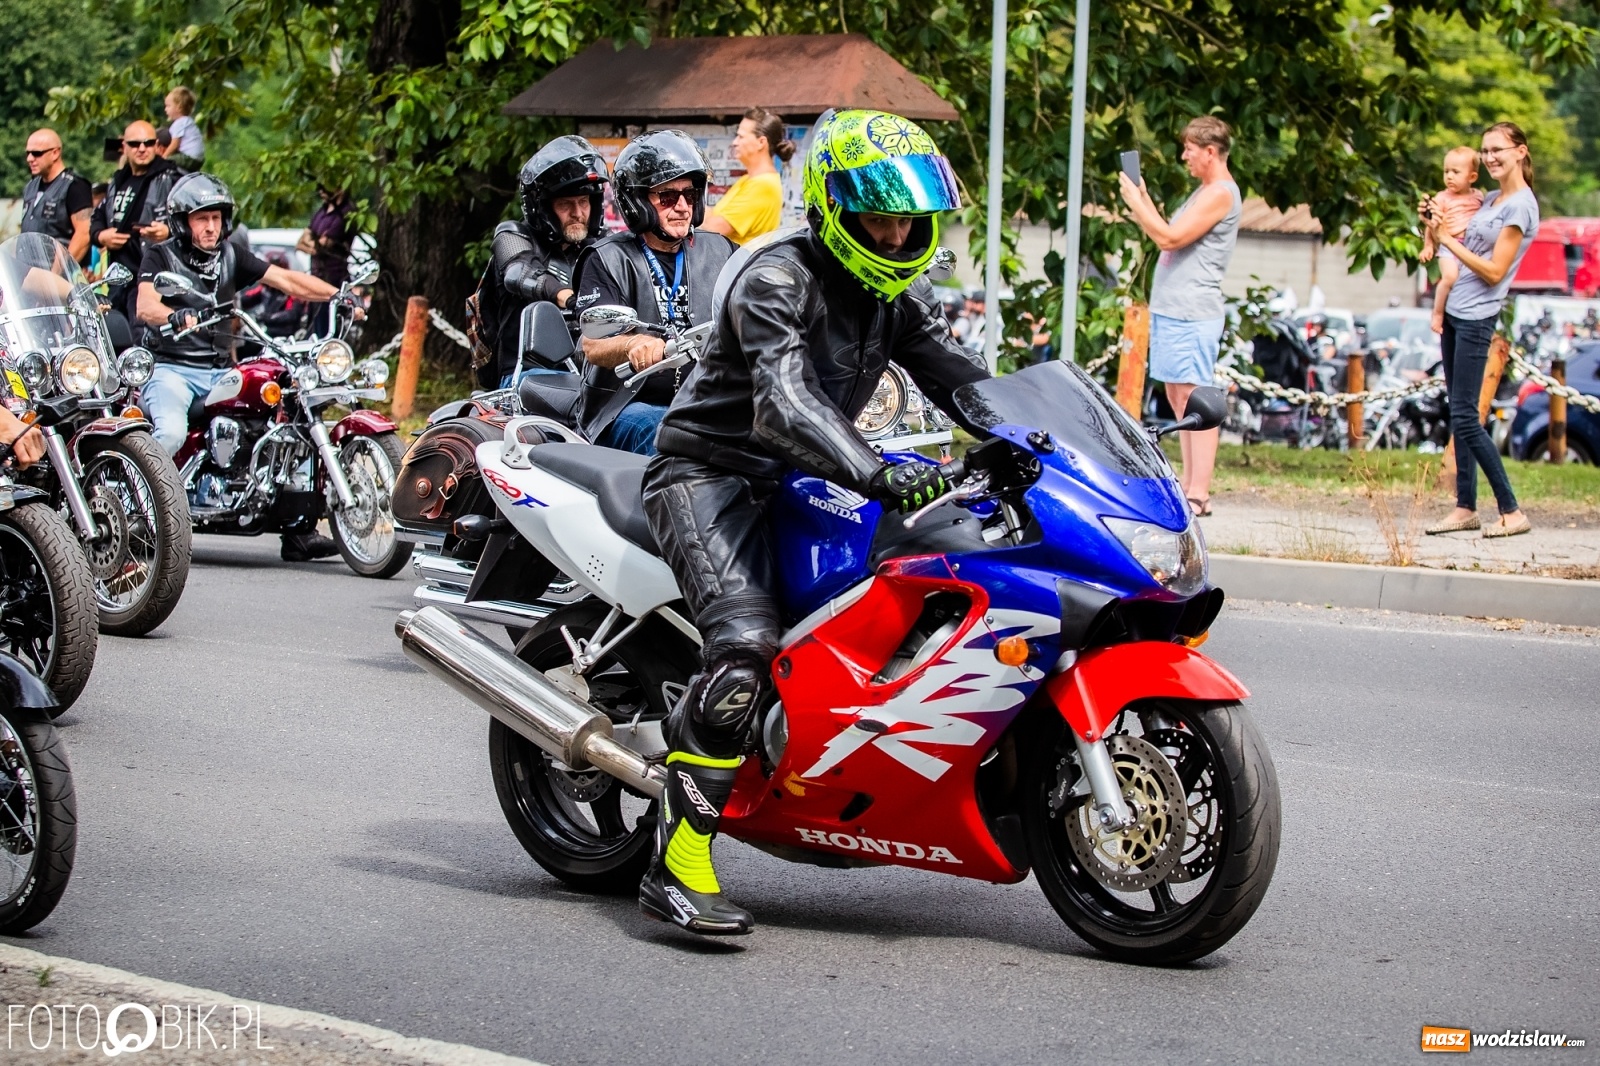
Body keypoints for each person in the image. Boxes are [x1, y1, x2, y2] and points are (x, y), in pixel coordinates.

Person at [636, 109, 989, 936]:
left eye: (908, 216)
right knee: (747, 645)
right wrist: (874, 468)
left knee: (892, 594)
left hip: (804, 473)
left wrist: (1033, 439)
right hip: (710, 472)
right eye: (878, 213)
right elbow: (785, 401)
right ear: (832, 204)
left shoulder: (895, 295)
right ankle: (677, 860)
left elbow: (965, 379)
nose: (896, 231)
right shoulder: (777, 279)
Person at [136, 173, 351, 561]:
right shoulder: (160, 255)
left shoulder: (231, 255)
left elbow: (287, 279)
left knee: (288, 420)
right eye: (202, 219)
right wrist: (176, 314)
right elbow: (146, 306)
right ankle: (141, 516)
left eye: (217, 218)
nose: (211, 227)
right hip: (172, 369)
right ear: (183, 222)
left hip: (219, 369)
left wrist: (339, 294)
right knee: (169, 432)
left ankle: (299, 530)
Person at [571, 131, 735, 453]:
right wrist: (634, 342)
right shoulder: (607, 258)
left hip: (707, 398)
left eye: (690, 194)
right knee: (662, 430)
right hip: (625, 405)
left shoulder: (721, 251)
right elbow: (592, 344)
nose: (683, 207)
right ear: (637, 201)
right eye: (668, 197)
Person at [1119, 115, 1241, 518]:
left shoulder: (1220, 193)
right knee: (1179, 397)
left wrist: (1137, 204)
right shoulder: (1203, 192)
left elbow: (1168, 238)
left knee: (1195, 397)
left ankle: (1199, 491)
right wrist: (1144, 197)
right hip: (1175, 309)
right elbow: (1170, 230)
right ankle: (1189, 484)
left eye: (1190, 148)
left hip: (1194, 312)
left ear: (1210, 151)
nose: (1184, 155)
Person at [1421, 122, 1537, 539]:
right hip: (1454, 311)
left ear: (1520, 152)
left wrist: (1448, 242)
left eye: (1497, 150)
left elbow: (1493, 271)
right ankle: (1465, 507)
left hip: (1476, 316)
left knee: (1468, 418)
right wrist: (1433, 226)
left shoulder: (1520, 207)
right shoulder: (1488, 198)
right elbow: (1451, 230)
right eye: (1485, 151)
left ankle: (1511, 510)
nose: (1489, 157)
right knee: (1458, 412)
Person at [483, 136, 608, 389]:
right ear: (543, 209)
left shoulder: (602, 245)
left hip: (589, 372)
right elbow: (520, 273)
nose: (578, 213)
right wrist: (572, 298)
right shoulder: (512, 236)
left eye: (584, 202)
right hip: (528, 374)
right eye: (565, 204)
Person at [92, 120, 182, 321]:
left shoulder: (172, 178)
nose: (142, 149)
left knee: (141, 341)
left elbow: (193, 222)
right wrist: (101, 236)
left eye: (148, 143)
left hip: (152, 279)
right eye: (135, 144)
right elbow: (97, 216)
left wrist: (168, 231)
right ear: (124, 146)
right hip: (118, 279)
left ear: (157, 145)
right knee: (115, 340)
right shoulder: (118, 180)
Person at [699, 108, 796, 245]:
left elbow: (713, 229)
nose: (735, 142)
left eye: (741, 136)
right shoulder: (748, 180)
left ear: (761, 142)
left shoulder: (763, 185)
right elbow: (713, 215)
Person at [1420, 147, 1485, 336]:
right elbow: (1431, 224)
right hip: (1449, 246)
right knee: (1449, 278)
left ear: (1472, 177)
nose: (1449, 176)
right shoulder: (1442, 198)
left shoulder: (1478, 196)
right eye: (1446, 171)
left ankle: (1458, 313)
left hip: (1470, 248)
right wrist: (1428, 245)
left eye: (1456, 172)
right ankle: (1437, 313)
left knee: (1468, 281)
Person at [20, 129, 93, 265]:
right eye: (28, 153)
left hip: (57, 277)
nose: (30, 158)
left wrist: (58, 273)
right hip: (27, 274)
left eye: (37, 153)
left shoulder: (75, 186)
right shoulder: (31, 186)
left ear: (55, 153)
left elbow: (83, 234)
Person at [300, 187, 354, 336]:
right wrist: (312, 243)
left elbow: (322, 246)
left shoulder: (346, 213)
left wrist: (310, 243)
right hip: (315, 279)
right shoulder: (321, 211)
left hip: (334, 280)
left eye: (327, 187)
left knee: (328, 331)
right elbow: (300, 242)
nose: (321, 191)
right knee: (313, 331)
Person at [162, 86, 205, 169]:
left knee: (163, 163)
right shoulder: (188, 121)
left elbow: (175, 145)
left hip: (189, 158)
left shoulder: (179, 123)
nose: (165, 109)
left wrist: (164, 157)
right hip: (198, 159)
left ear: (179, 107)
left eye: (168, 106)